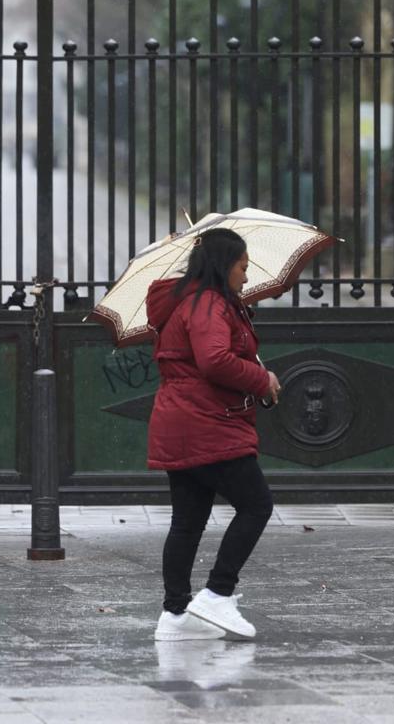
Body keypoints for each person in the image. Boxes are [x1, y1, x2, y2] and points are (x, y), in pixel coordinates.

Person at [145, 229, 279, 642]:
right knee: (257, 506)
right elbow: (214, 360)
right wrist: (262, 378)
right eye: (242, 265)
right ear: (225, 265)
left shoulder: (194, 301)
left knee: (187, 521)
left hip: (182, 422)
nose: (247, 273)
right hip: (209, 424)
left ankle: (175, 616)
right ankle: (218, 593)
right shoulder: (208, 304)